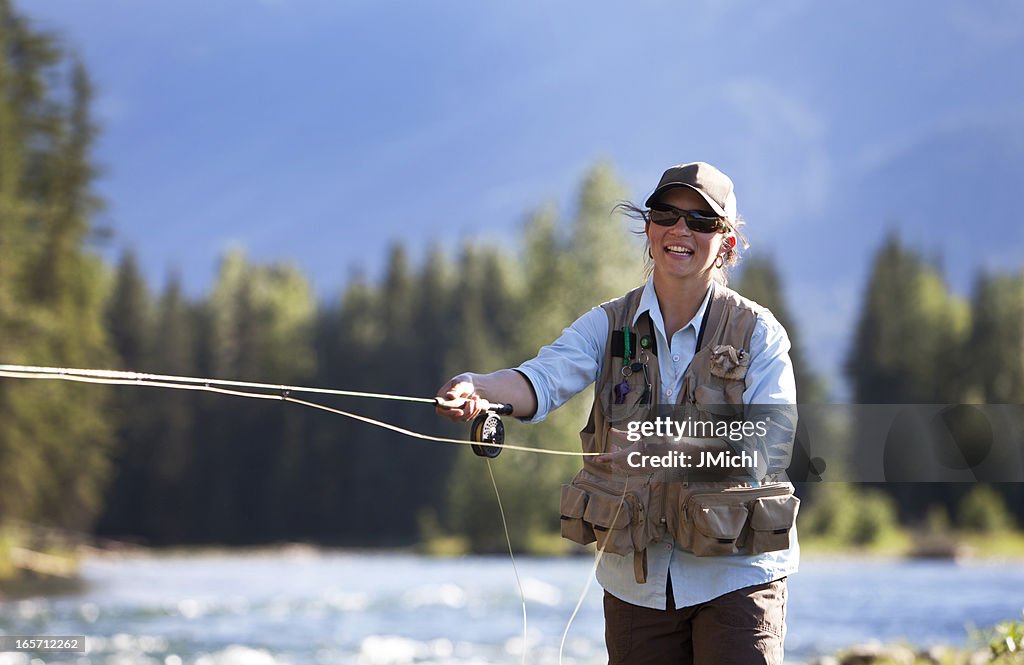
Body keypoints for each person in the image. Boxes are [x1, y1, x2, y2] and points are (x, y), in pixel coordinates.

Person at [436, 162, 799, 665]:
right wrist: (480, 386)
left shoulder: (758, 333)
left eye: (700, 222)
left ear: (728, 244)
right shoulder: (608, 324)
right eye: (667, 214)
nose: (680, 230)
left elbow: (769, 443)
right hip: (637, 586)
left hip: (736, 577)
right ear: (648, 229)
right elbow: (540, 379)